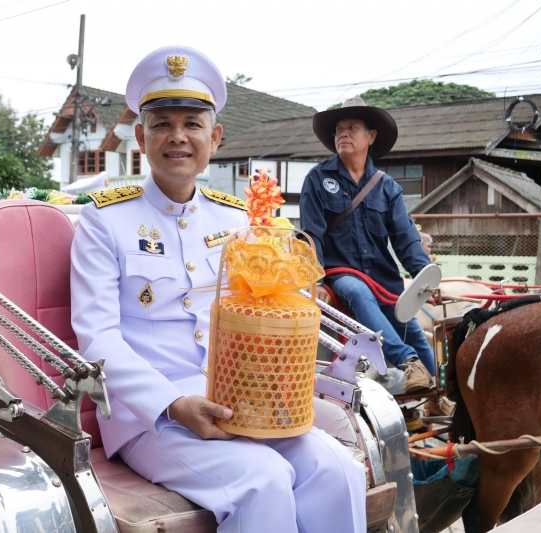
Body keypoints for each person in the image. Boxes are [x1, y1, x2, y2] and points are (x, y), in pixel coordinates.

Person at [71, 46, 366, 533]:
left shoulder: (235, 220)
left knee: (337, 469)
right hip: (152, 414)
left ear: (216, 136)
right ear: (141, 137)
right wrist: (174, 405)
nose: (178, 137)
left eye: (193, 123)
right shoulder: (104, 219)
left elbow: (267, 308)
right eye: (162, 123)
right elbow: (98, 338)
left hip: (241, 401)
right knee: (263, 480)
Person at [300, 97, 435, 393]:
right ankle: (406, 361)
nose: (343, 134)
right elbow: (311, 236)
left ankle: (436, 393)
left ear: (370, 136)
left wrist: (425, 278)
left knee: (416, 334)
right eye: (339, 129)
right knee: (359, 292)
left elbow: (405, 238)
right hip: (342, 277)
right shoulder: (317, 179)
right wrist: (318, 279)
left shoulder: (387, 187)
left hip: (384, 280)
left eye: (352, 127)